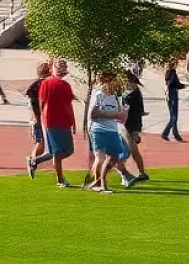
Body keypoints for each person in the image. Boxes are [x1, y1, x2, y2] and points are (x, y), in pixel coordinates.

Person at [86, 71, 138, 193]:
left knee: (113, 156)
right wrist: (114, 114)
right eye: (114, 82)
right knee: (104, 157)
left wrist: (124, 113)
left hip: (112, 129)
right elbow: (94, 114)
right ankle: (101, 184)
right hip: (99, 129)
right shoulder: (98, 95)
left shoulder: (115, 96)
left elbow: (120, 115)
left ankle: (99, 182)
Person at [28, 57, 76, 187]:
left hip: (63, 121)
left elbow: (68, 104)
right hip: (52, 121)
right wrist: (41, 119)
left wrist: (73, 122)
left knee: (68, 150)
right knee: (57, 152)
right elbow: (41, 102)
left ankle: (35, 161)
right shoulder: (47, 84)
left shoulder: (65, 85)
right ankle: (60, 179)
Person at [121, 70, 148, 182]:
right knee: (131, 150)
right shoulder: (128, 93)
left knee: (131, 150)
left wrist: (137, 130)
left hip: (131, 124)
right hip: (128, 124)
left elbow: (136, 111)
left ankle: (136, 172)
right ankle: (138, 172)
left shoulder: (134, 94)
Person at [24, 60, 51, 162]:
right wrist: (35, 116)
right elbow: (31, 101)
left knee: (43, 144)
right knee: (40, 141)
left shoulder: (41, 83)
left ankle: (33, 159)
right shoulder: (38, 85)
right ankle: (32, 160)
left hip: (43, 117)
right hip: (39, 117)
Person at [162, 57, 185, 142]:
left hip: (171, 94)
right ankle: (165, 133)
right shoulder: (172, 73)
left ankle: (175, 134)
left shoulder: (169, 72)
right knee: (174, 116)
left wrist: (182, 85)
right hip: (172, 94)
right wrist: (182, 86)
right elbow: (173, 84)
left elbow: (174, 84)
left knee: (174, 115)